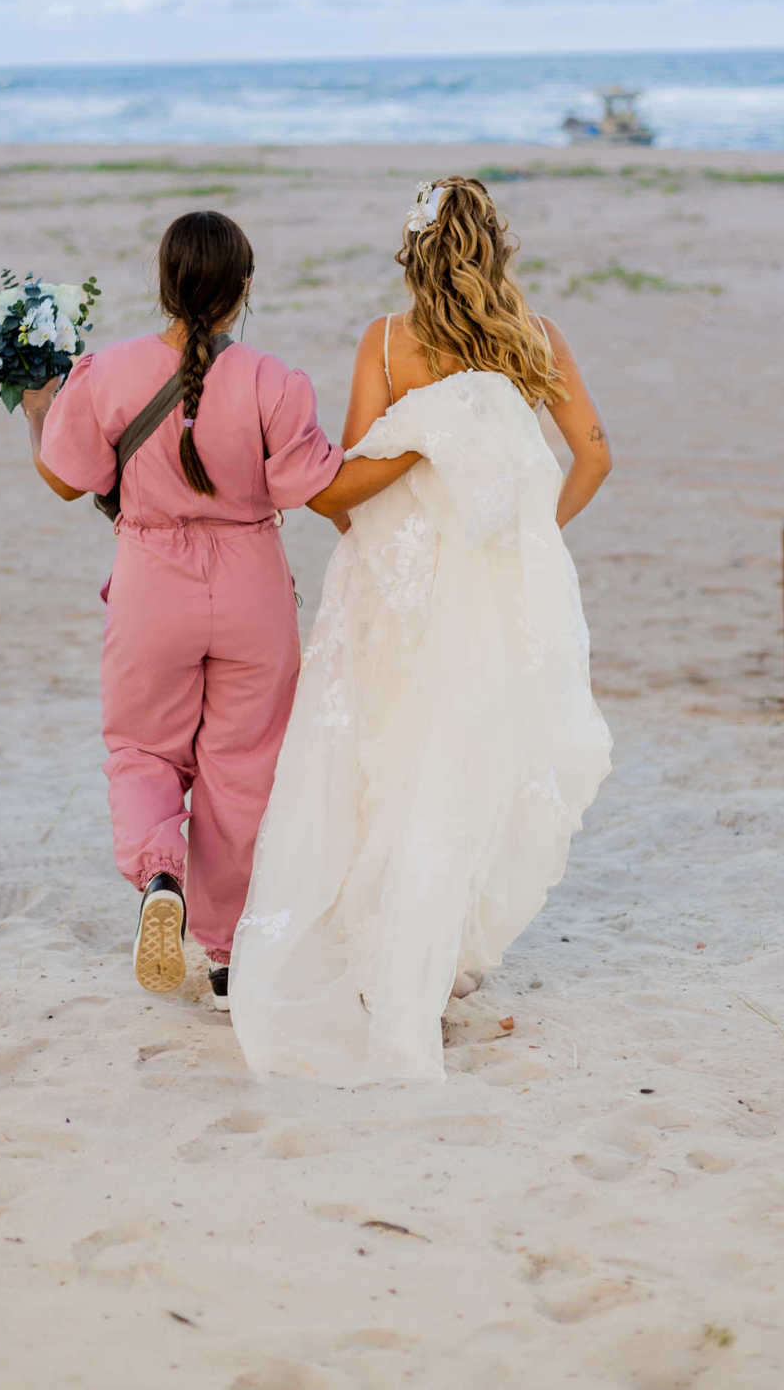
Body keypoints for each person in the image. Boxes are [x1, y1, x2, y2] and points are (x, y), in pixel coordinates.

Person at [230, 177, 614, 1083]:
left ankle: (384, 957)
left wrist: (389, 551)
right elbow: (593, 455)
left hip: (399, 591)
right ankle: (435, 962)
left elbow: (354, 477)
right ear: (496, 246)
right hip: (492, 587)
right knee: (469, 761)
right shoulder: (536, 337)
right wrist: (529, 537)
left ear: (413, 250)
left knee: (387, 757)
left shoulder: (389, 342)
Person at [20, 210, 417, 1011]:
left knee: (141, 749)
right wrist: (417, 448)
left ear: (164, 285)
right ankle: (230, 954)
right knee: (246, 767)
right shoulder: (274, 380)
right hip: (251, 589)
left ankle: (159, 874)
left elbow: (65, 480)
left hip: (150, 583)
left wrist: (37, 408)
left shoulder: (107, 373)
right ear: (243, 288)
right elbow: (321, 488)